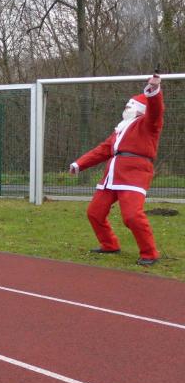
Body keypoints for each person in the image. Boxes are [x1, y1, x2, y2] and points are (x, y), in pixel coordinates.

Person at [69, 74, 165, 266]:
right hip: (111, 177)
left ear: (140, 109)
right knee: (95, 212)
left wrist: (154, 90)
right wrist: (79, 164)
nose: (126, 109)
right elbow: (103, 150)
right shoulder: (120, 130)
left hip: (134, 175)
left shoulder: (148, 124)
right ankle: (109, 245)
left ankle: (150, 253)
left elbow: (155, 110)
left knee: (132, 216)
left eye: (130, 106)